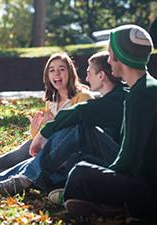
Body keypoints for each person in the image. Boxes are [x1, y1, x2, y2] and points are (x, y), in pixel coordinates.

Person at [0, 51, 127, 197]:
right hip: (71, 155)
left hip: (99, 163)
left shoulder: (101, 99)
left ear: (101, 76)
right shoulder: (97, 100)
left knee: (68, 135)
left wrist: (45, 133)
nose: (86, 76)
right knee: (32, 162)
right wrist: (38, 133)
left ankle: (19, 179)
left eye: (90, 72)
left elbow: (78, 117)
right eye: (52, 70)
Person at [63, 25, 156, 221]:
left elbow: (130, 159)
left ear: (120, 57)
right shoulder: (147, 87)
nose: (107, 59)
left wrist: (104, 179)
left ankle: (111, 204)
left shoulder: (139, 95)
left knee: (79, 174)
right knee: (81, 164)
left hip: (146, 190)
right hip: (144, 181)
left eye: (110, 53)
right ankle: (103, 203)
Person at [0, 52, 93, 177]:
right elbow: (44, 136)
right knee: (29, 145)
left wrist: (52, 124)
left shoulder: (83, 96)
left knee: (32, 151)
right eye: (52, 70)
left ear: (70, 72)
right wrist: (35, 131)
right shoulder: (51, 101)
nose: (57, 74)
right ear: (47, 76)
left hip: (70, 152)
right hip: (51, 147)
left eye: (62, 69)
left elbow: (79, 132)